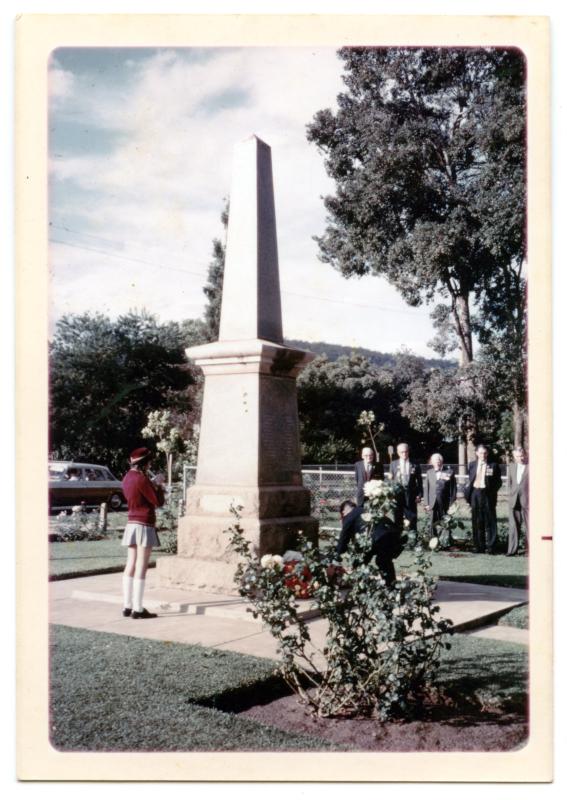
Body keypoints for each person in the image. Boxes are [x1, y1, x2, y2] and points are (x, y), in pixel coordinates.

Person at [121, 447, 165, 619]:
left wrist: (152, 483)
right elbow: (157, 502)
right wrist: (159, 484)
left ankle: (127, 605)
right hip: (144, 523)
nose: (150, 465)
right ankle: (138, 609)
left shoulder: (127, 477)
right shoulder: (142, 478)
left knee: (130, 564)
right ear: (144, 463)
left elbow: (137, 495)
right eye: (149, 462)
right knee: (141, 566)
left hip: (131, 523)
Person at [335, 499, 401, 586]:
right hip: (393, 534)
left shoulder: (350, 516)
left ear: (343, 512)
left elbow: (343, 539)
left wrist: (337, 556)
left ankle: (362, 586)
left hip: (378, 537)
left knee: (360, 561)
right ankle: (391, 586)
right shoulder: (365, 510)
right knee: (383, 561)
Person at [464, 444, 502, 554]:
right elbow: (470, 480)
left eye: (485, 453)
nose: (483, 455)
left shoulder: (494, 465)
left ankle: (491, 547)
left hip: (488, 495)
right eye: (480, 453)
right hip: (475, 494)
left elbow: (498, 482)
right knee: (477, 522)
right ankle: (479, 547)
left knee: (490, 522)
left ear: (487, 453)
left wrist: (491, 491)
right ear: (476, 453)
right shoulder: (471, 465)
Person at [423, 453, 457, 540]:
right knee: (432, 521)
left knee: (445, 520)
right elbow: (426, 489)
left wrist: (452, 503)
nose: (437, 463)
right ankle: (433, 540)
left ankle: (445, 540)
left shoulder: (449, 472)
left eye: (439, 461)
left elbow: (453, 489)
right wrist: (426, 503)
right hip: (432, 502)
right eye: (435, 461)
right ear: (432, 462)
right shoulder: (429, 472)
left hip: (445, 502)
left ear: (442, 461)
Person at [390, 443, 422, 531]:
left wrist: (419, 495)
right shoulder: (393, 464)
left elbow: (419, 481)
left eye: (406, 452)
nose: (404, 454)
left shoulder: (415, 464)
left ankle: (413, 540)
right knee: (397, 518)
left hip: (411, 495)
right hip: (397, 496)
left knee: (412, 518)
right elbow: (391, 481)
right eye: (402, 452)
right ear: (398, 453)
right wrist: (391, 495)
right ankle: (397, 540)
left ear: (408, 451)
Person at [507, 446, 529, 556]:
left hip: (528, 501)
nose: (520, 458)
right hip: (514, 500)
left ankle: (529, 551)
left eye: (521, 456)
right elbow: (510, 483)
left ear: (525, 455)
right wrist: (510, 496)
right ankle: (512, 551)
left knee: (530, 526)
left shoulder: (531, 466)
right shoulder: (511, 466)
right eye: (517, 456)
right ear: (514, 457)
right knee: (513, 526)